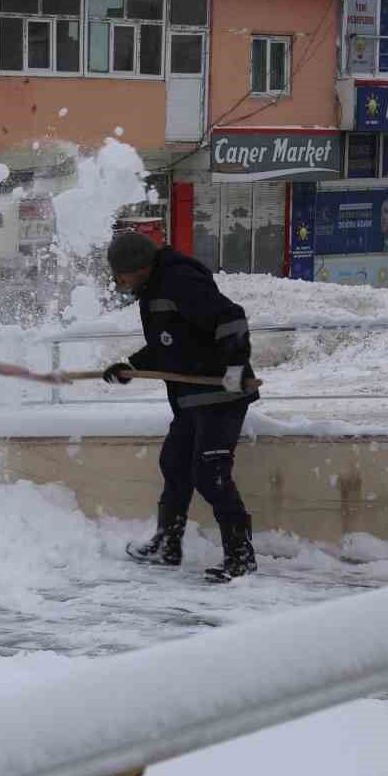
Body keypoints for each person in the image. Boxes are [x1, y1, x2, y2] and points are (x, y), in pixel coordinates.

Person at [101, 231, 259, 582]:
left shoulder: (179, 280)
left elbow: (231, 318)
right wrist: (132, 366)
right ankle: (168, 544)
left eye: (120, 274)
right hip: (189, 397)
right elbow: (169, 344)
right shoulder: (152, 290)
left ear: (138, 268)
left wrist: (234, 367)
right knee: (174, 464)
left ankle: (240, 556)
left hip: (221, 394)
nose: (118, 281)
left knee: (210, 474)